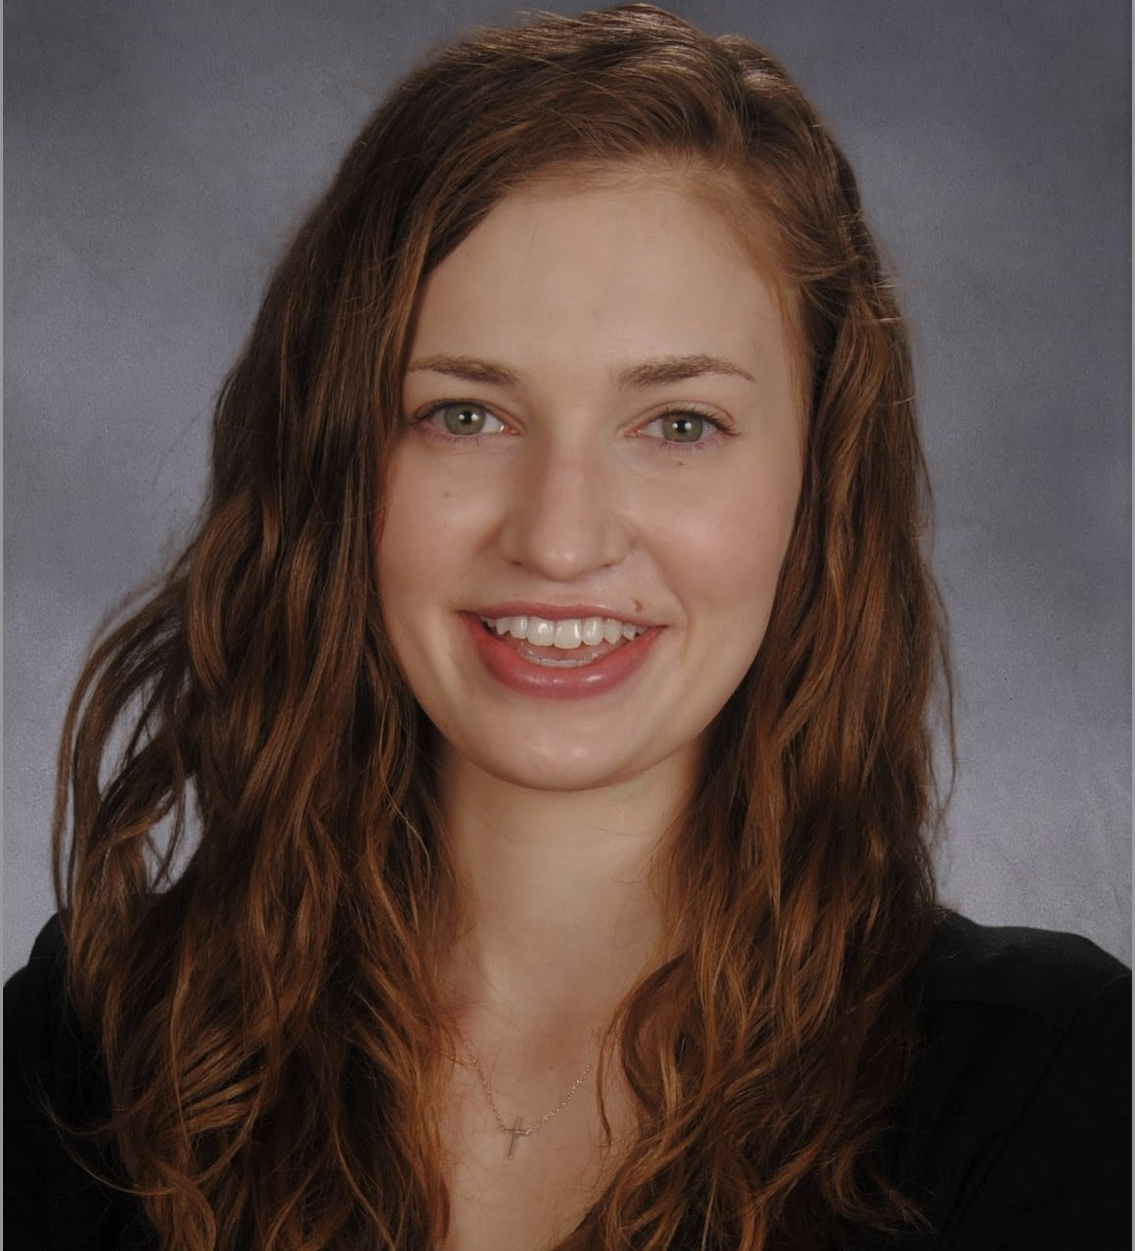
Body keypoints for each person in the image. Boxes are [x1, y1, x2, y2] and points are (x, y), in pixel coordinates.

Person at [5, 5, 1129, 1250]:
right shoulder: (86, 1054)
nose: (559, 536)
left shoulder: (1046, 1089)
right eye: (465, 415)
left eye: (679, 424)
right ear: (334, 461)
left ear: (820, 482)